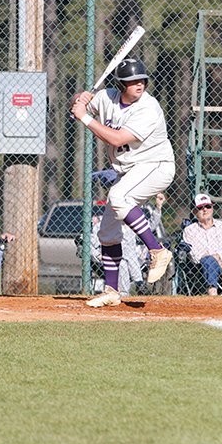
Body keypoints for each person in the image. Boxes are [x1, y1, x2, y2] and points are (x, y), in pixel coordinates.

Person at [70, 57, 175, 307]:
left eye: (142, 80)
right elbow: (77, 105)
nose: (139, 85)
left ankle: (157, 250)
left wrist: (85, 118)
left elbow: (117, 139)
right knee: (107, 232)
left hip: (156, 166)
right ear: (120, 84)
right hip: (129, 171)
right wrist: (80, 99)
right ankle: (111, 290)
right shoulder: (107, 97)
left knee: (118, 198)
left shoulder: (149, 108)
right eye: (132, 81)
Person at [90, 192, 167, 296]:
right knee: (121, 261)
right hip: (110, 261)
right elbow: (89, 244)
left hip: (134, 261)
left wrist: (158, 207)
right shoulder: (102, 225)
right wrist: (99, 256)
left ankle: (131, 289)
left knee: (127, 258)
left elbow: (150, 226)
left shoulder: (132, 224)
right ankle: (138, 283)